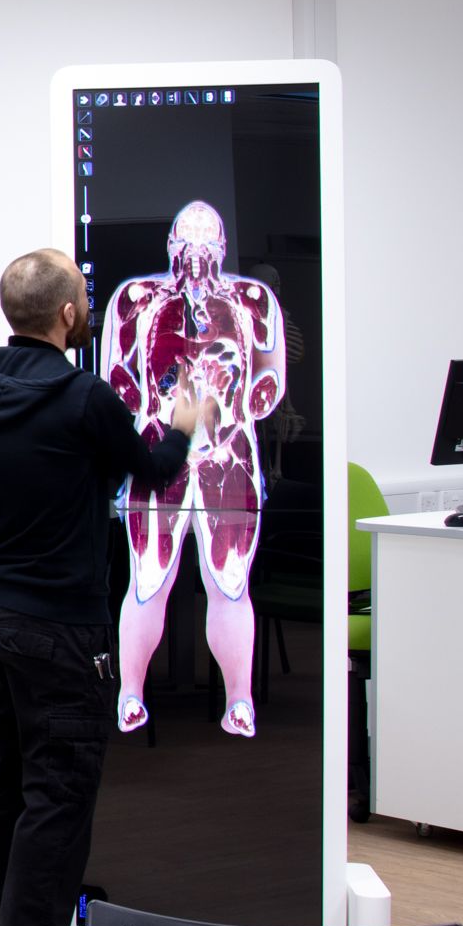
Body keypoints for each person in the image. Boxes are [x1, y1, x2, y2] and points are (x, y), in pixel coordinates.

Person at [0, 249, 210, 926]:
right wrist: (187, 422)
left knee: (1, 787)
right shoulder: (84, 398)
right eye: (83, 296)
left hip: (0, 622)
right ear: (66, 314)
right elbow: (154, 468)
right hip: (63, 631)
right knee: (58, 797)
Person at [100, 200, 288, 739]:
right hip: (158, 450)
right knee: (148, 579)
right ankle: (130, 691)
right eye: (188, 244)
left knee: (229, 583)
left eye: (208, 246)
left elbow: (270, 382)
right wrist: (161, 402)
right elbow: (116, 376)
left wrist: (235, 400)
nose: (197, 257)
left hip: (229, 453)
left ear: (223, 248)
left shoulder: (253, 300)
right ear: (171, 246)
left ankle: (239, 699)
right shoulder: (137, 299)